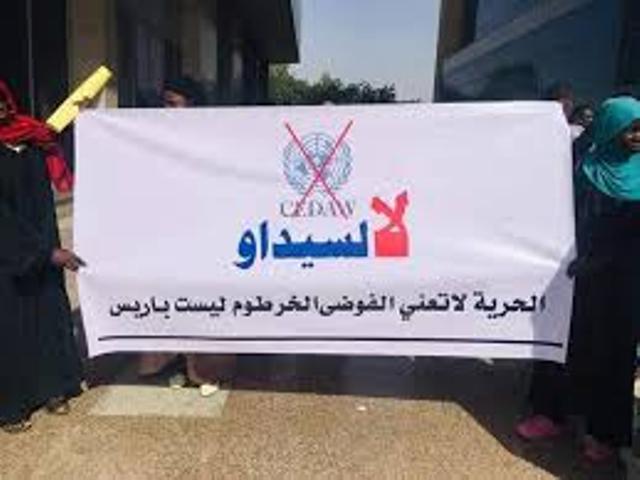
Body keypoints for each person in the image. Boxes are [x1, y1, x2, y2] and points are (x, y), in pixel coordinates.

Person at [516, 96, 640, 463]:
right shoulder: (583, 170)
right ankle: (550, 415)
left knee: (614, 356)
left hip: (623, 284)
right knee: (562, 342)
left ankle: (604, 434)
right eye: (631, 128)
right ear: (610, 128)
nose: (637, 136)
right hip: (576, 278)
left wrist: (602, 260)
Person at [138, 77, 234, 395]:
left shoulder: (212, 138)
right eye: (164, 102)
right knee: (173, 298)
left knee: (202, 301)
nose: (166, 109)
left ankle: (204, 371)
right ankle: (177, 363)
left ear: (191, 104)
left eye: (173, 103)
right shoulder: (158, 137)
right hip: (169, 231)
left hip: (204, 233)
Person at [0, 80, 85, 433]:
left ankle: (53, 388)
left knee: (48, 320)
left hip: (43, 250)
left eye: (1, 101)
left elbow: (48, 202)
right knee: (11, 329)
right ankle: (12, 406)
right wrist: (43, 252)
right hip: (8, 258)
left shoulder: (33, 141)